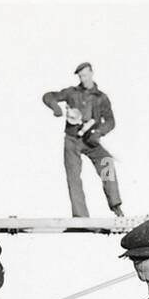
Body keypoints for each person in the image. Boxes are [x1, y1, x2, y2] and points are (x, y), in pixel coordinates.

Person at [42, 61, 124, 218]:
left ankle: (116, 206)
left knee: (107, 161)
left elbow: (110, 121)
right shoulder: (71, 93)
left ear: (92, 73)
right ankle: (81, 217)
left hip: (91, 140)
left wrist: (99, 132)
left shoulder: (101, 98)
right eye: (80, 76)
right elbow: (48, 96)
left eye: (85, 75)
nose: (83, 78)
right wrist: (56, 107)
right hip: (72, 140)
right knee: (73, 176)